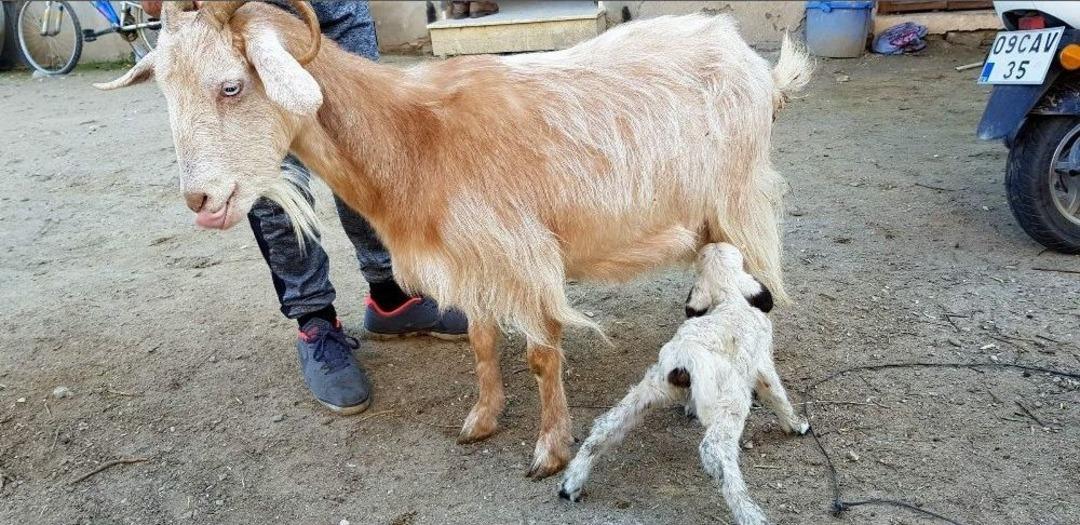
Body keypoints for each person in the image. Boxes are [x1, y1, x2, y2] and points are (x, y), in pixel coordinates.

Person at [141, 0, 467, 415]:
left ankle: (392, 297)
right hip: (229, 15)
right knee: (270, 172)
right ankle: (315, 320)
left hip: (333, 7)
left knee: (364, 147)